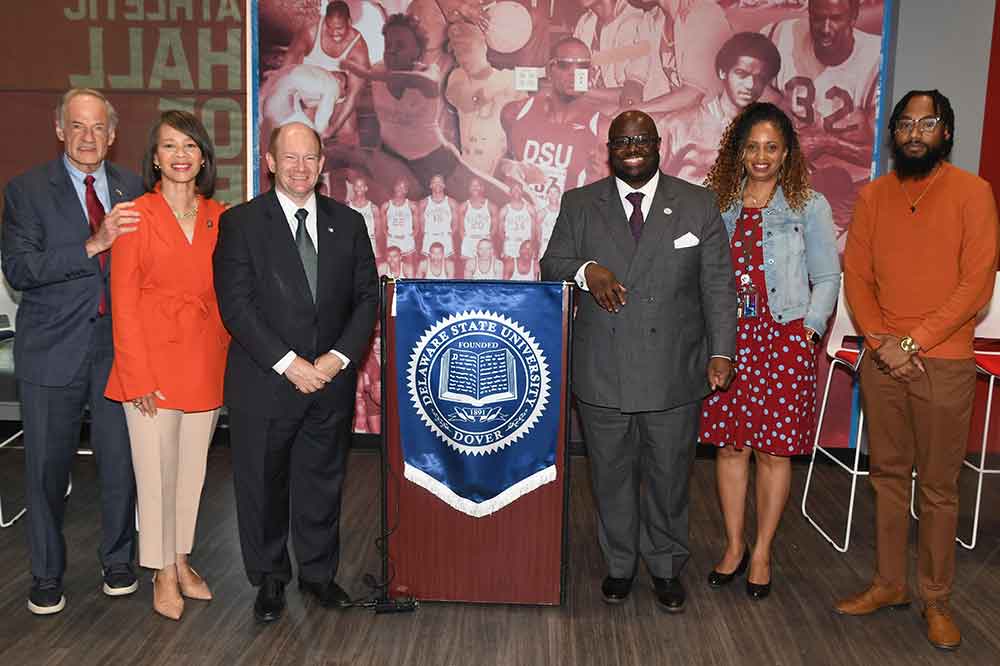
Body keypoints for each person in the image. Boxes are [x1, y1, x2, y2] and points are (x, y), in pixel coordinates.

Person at [540, 110, 736, 612]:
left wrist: (721, 351)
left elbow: (717, 285)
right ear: (609, 148)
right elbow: (551, 265)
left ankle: (667, 565)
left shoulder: (696, 204)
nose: (632, 147)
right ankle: (620, 563)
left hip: (675, 367)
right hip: (603, 369)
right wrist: (588, 270)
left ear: (657, 145)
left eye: (642, 140)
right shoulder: (580, 204)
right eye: (622, 140)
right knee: (610, 474)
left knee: (670, 475)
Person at [836, 90, 999, 651]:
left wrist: (912, 342)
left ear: (946, 133)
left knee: (936, 488)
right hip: (883, 358)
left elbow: (975, 286)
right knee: (886, 475)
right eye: (905, 123)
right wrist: (883, 342)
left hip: (946, 362)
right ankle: (889, 583)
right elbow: (856, 276)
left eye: (926, 123)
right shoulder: (873, 197)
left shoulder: (973, 193)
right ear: (893, 134)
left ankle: (936, 599)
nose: (914, 132)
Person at [213, 122, 378, 624]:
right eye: (290, 158)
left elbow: (367, 297)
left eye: (310, 158)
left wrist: (335, 360)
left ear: (323, 163)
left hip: (329, 383)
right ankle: (269, 579)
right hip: (266, 383)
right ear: (270, 162)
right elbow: (236, 306)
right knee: (262, 484)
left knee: (322, 481)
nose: (300, 168)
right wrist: (290, 364)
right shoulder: (240, 223)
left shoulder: (348, 223)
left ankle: (318, 575)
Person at [1, 88, 143, 616]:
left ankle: (119, 561)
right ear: (60, 130)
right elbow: (20, 270)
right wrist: (93, 244)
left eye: (98, 128)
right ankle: (45, 574)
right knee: (43, 470)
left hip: (116, 350)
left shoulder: (132, 186)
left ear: (112, 135)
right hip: (50, 350)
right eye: (77, 126)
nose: (88, 137)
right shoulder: (25, 190)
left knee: (119, 463)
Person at [699, 102, 839, 600]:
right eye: (752, 147)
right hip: (730, 340)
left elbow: (826, 277)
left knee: (774, 451)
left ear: (786, 154)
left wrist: (811, 331)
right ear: (738, 152)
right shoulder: (717, 203)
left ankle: (762, 551)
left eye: (771, 148)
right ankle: (735, 546)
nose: (761, 156)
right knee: (732, 446)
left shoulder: (809, 206)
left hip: (783, 338)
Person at [104, 111, 229, 620]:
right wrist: (136, 377)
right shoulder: (136, 214)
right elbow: (123, 302)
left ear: (203, 157)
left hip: (204, 358)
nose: (180, 156)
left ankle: (181, 558)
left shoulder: (220, 216)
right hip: (150, 365)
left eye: (190, 146)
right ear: (155, 157)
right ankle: (158, 569)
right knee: (156, 472)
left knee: (192, 471)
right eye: (170, 146)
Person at [764, 0, 882, 243]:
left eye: (836, 18)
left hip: (852, 188)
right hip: (790, 179)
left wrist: (827, 143)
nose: (826, 28)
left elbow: (881, 153)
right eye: (818, 18)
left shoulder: (876, 59)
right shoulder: (782, 37)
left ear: (854, 16)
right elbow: (750, 104)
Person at [658, 32, 781, 185]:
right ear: (723, 72)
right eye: (742, 74)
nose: (751, 85)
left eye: (760, 78)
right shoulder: (678, 125)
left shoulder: (768, 132)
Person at [500, 37, 603, 209]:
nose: (574, 73)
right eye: (564, 65)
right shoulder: (514, 113)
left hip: (567, 230)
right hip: (522, 225)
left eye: (582, 66)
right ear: (549, 70)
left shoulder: (601, 128)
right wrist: (514, 169)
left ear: (591, 73)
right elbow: (500, 168)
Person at [284, 1, 371, 146]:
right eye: (329, 27)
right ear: (325, 19)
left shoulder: (358, 48)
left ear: (349, 22)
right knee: (304, 136)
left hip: (337, 96)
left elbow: (353, 96)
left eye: (339, 28)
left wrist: (332, 129)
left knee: (348, 135)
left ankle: (341, 164)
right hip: (309, 92)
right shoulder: (311, 31)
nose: (334, 33)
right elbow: (288, 65)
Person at [380, 178, 420, 275]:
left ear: (406, 190)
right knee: (391, 268)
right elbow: (383, 227)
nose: (400, 189)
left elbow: (417, 227)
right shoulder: (386, 205)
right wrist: (389, 236)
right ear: (394, 187)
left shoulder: (412, 206)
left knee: (409, 269)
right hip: (392, 240)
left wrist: (409, 237)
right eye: (398, 186)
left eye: (403, 187)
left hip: (407, 241)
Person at [457, 177, 498, 269]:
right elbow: (461, 228)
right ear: (469, 188)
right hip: (469, 241)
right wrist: (466, 241)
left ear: (482, 188)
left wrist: (487, 240)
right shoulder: (464, 206)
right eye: (472, 185)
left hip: (485, 241)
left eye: (477, 185)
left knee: (486, 269)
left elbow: (495, 227)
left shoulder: (491, 206)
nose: (475, 187)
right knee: (468, 269)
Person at [498, 182, 536, 273]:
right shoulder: (504, 209)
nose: (517, 191)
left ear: (522, 192)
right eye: (514, 189)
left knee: (525, 270)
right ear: (510, 192)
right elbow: (500, 232)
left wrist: (532, 246)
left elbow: (534, 230)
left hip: (525, 244)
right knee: (509, 270)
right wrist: (504, 247)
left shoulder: (529, 208)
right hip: (511, 244)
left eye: (519, 189)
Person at [419, 174, 459, 259]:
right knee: (429, 266)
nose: (437, 184)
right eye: (434, 182)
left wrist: (448, 236)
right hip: (429, 237)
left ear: (444, 185)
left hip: (445, 236)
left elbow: (455, 224)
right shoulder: (424, 203)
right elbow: (421, 225)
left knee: (448, 265)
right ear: (430, 185)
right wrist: (429, 234)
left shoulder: (452, 202)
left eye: (440, 182)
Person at [347, 174, 380, 260]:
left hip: (370, 246)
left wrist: (377, 248)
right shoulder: (348, 206)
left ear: (366, 188)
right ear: (353, 188)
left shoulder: (373, 208)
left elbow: (378, 231)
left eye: (361, 186)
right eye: (357, 186)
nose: (359, 189)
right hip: (353, 246)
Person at [537, 183, 562, 258]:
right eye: (550, 192)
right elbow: (537, 234)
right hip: (545, 245)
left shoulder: (565, 212)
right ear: (547, 195)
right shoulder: (542, 213)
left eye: (555, 192)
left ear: (559, 194)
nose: (553, 195)